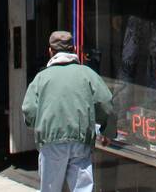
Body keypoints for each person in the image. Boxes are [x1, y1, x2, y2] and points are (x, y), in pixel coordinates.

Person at [21, 30, 115, 192]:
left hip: (51, 141)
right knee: (82, 188)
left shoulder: (41, 78)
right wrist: (108, 131)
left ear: (50, 51)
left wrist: (40, 126)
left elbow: (29, 110)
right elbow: (105, 102)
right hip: (80, 139)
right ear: (74, 50)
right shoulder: (87, 74)